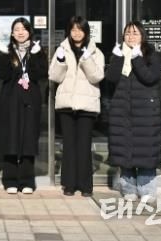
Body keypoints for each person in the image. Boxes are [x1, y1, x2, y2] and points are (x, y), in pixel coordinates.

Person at [48, 16, 105, 197]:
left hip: (86, 105)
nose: (76, 33)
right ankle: (69, 184)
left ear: (86, 31)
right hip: (66, 104)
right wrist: (60, 61)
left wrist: (87, 59)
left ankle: (85, 185)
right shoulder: (62, 49)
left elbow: (97, 77)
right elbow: (54, 76)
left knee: (84, 145)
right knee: (69, 145)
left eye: (80, 29)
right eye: (73, 29)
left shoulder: (96, 52)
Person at [106, 21, 161, 203]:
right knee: (124, 149)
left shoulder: (150, 54)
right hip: (122, 109)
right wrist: (117, 58)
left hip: (145, 111)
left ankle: (147, 190)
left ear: (142, 36)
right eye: (128, 33)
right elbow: (111, 78)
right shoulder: (119, 53)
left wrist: (137, 58)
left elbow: (150, 77)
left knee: (145, 150)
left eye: (135, 33)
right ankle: (128, 188)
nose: (131, 37)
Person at [0, 17, 48, 195]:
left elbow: (41, 74)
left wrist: (36, 55)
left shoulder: (37, 51)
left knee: (28, 139)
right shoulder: (6, 51)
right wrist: (3, 56)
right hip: (10, 101)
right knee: (10, 139)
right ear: (12, 33)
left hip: (30, 101)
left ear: (29, 32)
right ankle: (10, 179)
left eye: (24, 29)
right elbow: (3, 74)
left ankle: (27, 180)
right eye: (17, 29)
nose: (20, 32)